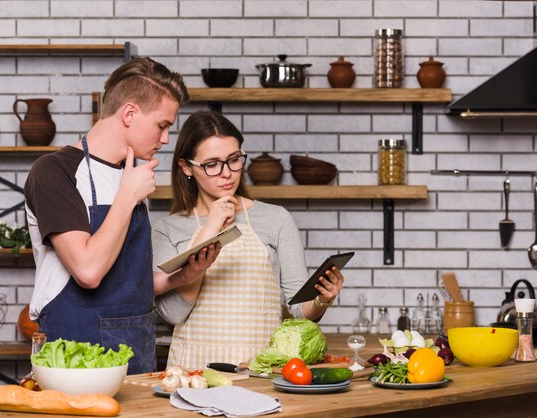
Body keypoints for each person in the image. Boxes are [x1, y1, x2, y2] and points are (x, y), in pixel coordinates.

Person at [24, 57, 189, 374]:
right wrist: (127, 196)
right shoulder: (54, 172)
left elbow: (126, 282)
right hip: (74, 346)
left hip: (137, 343)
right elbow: (88, 271)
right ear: (129, 113)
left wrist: (182, 276)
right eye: (162, 125)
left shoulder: (129, 176)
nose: (166, 138)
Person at [152, 110, 345, 369]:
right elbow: (174, 314)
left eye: (234, 159)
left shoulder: (275, 219)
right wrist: (211, 225)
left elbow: (300, 310)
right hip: (192, 371)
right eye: (212, 164)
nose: (227, 173)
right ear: (186, 167)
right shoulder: (167, 229)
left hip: (259, 367)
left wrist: (323, 299)